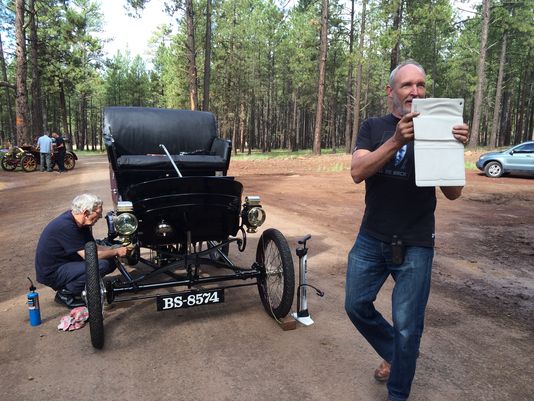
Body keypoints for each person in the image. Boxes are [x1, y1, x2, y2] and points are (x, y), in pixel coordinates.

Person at [344, 60, 469, 401]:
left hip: (415, 242)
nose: (415, 91)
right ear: (391, 92)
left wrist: (456, 150)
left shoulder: (440, 126)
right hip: (372, 236)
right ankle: (398, 354)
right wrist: (396, 140)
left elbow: (454, 193)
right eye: (407, 85)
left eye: (421, 85)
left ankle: (398, 393)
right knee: (355, 305)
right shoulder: (373, 127)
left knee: (408, 325)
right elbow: (357, 171)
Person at [35, 193, 129, 308]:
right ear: (86, 213)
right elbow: (88, 255)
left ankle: (78, 284)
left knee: (110, 260)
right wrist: (117, 252)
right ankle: (65, 294)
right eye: (98, 214)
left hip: (66, 263)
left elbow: (93, 247)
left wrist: (114, 249)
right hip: (53, 272)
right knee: (101, 265)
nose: (99, 218)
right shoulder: (66, 226)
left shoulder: (81, 223)